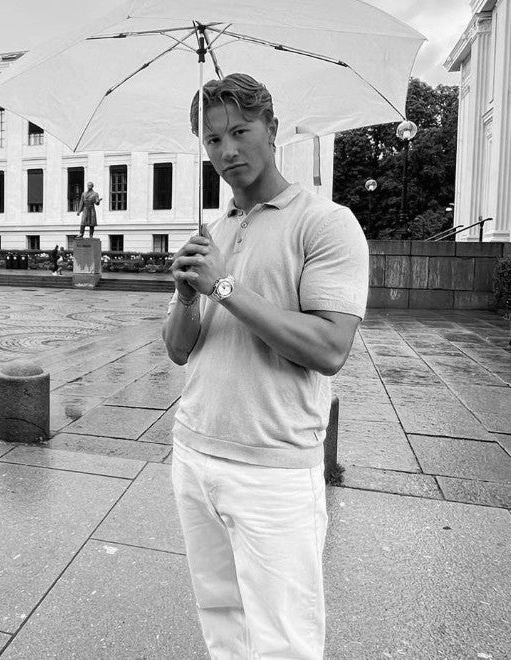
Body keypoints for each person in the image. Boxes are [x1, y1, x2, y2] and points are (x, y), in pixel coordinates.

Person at [162, 73, 369, 660]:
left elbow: (330, 347)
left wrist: (223, 286)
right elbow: (178, 349)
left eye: (240, 131)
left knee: (284, 641)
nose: (227, 150)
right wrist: (185, 294)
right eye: (212, 139)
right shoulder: (213, 232)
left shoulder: (325, 222)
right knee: (221, 620)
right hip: (194, 452)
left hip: (273, 467)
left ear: (272, 129)